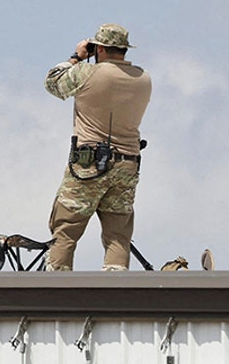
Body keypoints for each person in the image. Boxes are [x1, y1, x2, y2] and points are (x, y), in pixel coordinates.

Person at [43, 24, 152, 271]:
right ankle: (115, 288)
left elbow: (52, 83)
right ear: (124, 49)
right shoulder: (143, 78)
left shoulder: (86, 73)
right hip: (128, 165)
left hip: (89, 163)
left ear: (100, 48)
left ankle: (55, 288)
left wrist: (77, 56)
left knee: (66, 229)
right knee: (118, 235)